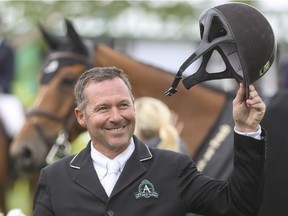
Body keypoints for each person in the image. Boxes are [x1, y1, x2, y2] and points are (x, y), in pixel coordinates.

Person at [33, 66, 267, 216]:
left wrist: (247, 130)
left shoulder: (174, 169)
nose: (116, 117)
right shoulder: (54, 179)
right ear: (81, 117)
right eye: (103, 108)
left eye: (123, 105)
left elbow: (239, 207)